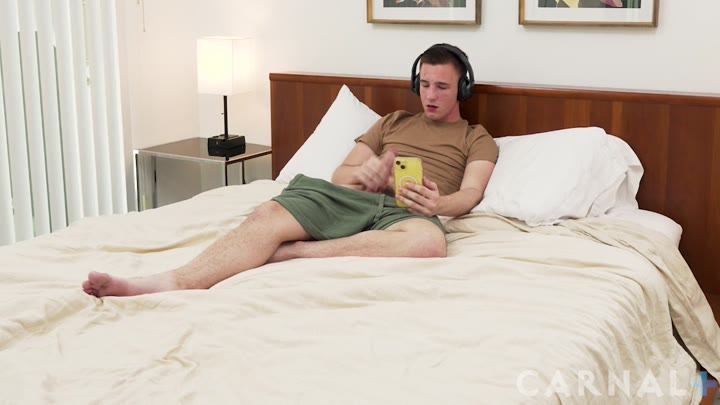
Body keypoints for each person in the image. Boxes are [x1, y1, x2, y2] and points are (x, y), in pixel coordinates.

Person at [82, 43, 498, 298]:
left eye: (441, 86)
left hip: (408, 214)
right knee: (266, 213)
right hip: (352, 199)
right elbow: (340, 175)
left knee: (430, 244)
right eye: (424, 84)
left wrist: (437, 203)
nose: (429, 94)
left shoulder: (476, 137)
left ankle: (293, 252)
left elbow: (470, 194)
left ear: (462, 88)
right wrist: (365, 176)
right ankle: (172, 281)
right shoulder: (393, 122)